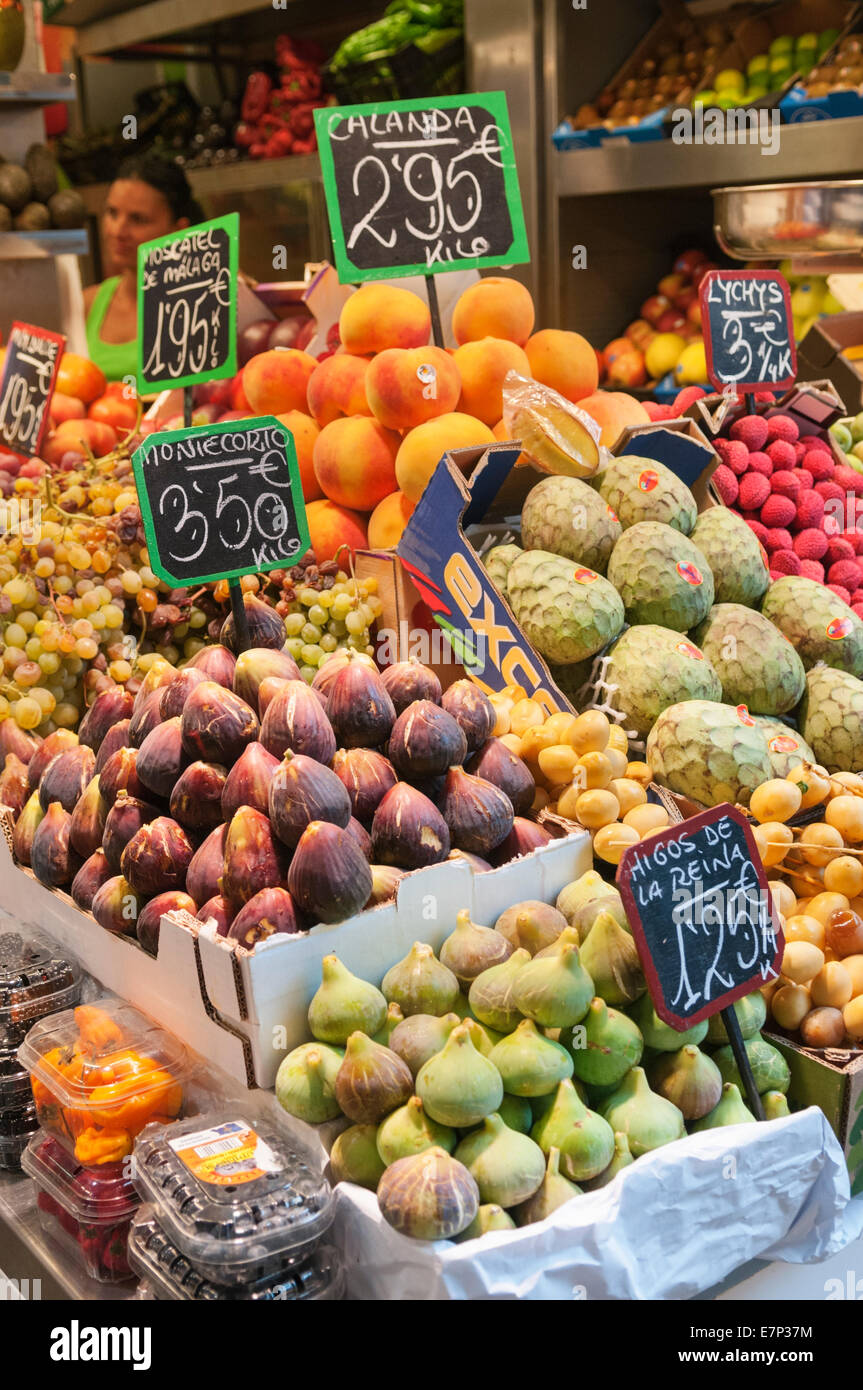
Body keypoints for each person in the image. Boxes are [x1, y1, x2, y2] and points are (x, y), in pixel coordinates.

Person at [83, 155, 204, 382]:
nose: (118, 231)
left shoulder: (204, 304)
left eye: (138, 219)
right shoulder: (86, 305)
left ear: (178, 230)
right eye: (112, 213)